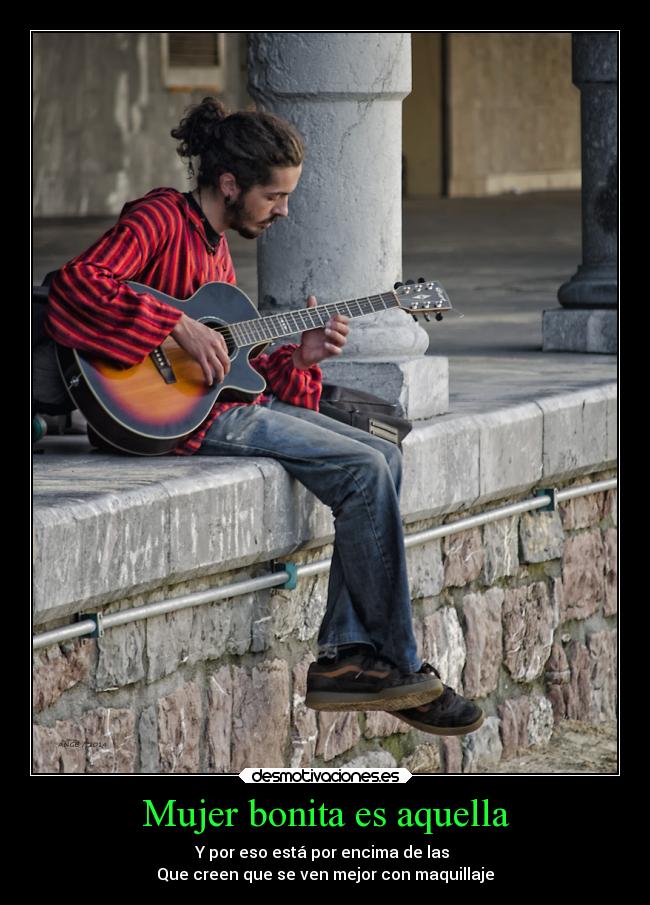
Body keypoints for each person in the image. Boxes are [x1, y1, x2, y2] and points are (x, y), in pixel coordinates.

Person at [44, 97, 484, 736]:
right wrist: (174, 322)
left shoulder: (217, 255)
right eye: (274, 197)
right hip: (184, 422)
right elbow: (77, 284)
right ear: (230, 184)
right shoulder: (160, 218)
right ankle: (390, 660)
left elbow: (246, 375)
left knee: (384, 451)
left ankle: (347, 654)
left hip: (219, 407)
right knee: (364, 468)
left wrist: (300, 357)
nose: (284, 211)